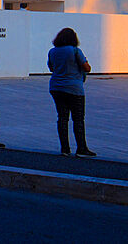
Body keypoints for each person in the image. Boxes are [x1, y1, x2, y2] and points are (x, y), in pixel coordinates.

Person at [47, 27, 95, 158]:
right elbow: (87, 68)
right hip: (74, 88)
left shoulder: (52, 51)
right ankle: (81, 148)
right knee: (78, 119)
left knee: (62, 118)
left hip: (56, 87)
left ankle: (65, 148)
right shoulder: (75, 51)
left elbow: (51, 68)